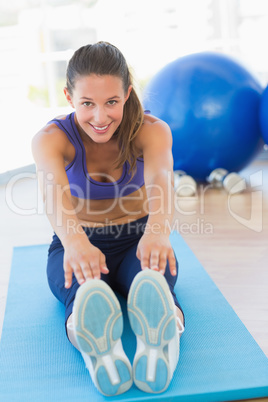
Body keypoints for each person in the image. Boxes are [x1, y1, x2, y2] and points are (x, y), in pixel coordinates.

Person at [32, 41, 184, 396]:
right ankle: (98, 352)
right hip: (78, 242)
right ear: (69, 96)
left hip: (139, 239)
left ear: (127, 94)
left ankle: (162, 344)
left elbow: (162, 180)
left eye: (111, 102)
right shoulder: (51, 139)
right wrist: (74, 242)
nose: (100, 118)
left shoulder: (152, 130)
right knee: (84, 298)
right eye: (88, 103)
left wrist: (158, 233)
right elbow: (53, 194)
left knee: (154, 284)